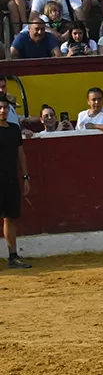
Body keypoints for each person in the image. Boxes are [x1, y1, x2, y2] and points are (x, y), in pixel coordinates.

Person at [0, 93, 26, 267]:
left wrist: (25, 176)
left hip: (10, 179)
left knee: (10, 218)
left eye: (5, 108)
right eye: (0, 108)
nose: (2, 110)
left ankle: (12, 256)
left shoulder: (14, 129)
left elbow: (20, 154)